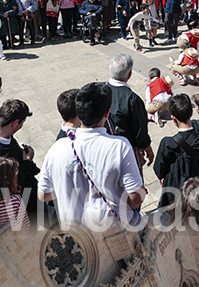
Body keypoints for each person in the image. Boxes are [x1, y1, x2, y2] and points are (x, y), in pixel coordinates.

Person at [37, 82, 146, 228]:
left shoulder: (57, 148)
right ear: (107, 113)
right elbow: (135, 199)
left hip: (78, 238)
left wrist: (68, 191)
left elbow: (43, 195)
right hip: (113, 232)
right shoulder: (119, 146)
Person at [154, 92, 199, 209]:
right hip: (197, 188)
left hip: (174, 188)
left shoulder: (167, 143)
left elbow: (159, 169)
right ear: (191, 114)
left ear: (173, 118)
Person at [108, 54, 154, 173]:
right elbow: (140, 130)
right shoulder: (132, 99)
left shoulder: (100, 91)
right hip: (127, 152)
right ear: (129, 74)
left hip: (106, 150)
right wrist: (147, 147)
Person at [0, 98, 39, 212]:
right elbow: (13, 185)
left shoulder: (6, 137)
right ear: (15, 123)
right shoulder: (4, 156)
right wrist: (27, 161)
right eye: (22, 122)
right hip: (24, 200)